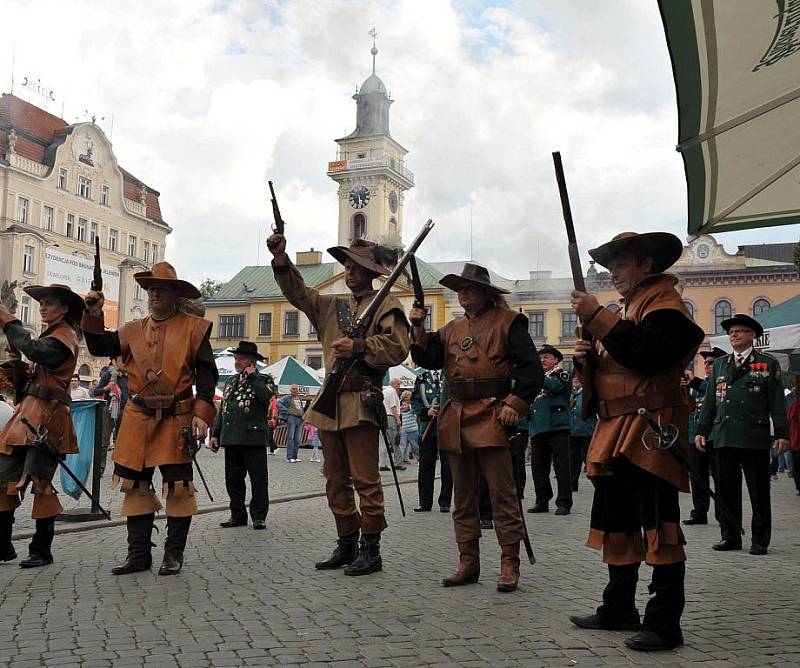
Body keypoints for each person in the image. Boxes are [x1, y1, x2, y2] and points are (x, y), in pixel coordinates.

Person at [569, 232, 705, 652]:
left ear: (646, 265)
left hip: (649, 429)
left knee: (659, 525)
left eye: (620, 265)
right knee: (619, 522)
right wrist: (588, 361)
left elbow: (646, 354)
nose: (613, 274)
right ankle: (618, 608)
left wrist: (597, 318)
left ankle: (664, 623)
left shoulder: (667, 307)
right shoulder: (624, 309)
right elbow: (615, 367)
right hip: (615, 428)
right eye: (610, 267)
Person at [268, 232, 409, 576]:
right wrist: (282, 260)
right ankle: (346, 541)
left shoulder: (388, 305)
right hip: (330, 402)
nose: (349, 271)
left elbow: (398, 348)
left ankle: (370, 549)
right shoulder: (331, 306)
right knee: (334, 478)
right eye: (346, 265)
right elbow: (298, 293)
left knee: (365, 479)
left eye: (356, 266)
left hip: (361, 401)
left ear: (371, 273)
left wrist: (360, 348)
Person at [409, 262, 543, 592]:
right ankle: (468, 560)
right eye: (460, 288)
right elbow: (427, 359)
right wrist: (417, 327)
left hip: (493, 414)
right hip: (455, 415)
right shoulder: (451, 329)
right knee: (463, 496)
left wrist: (514, 404)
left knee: (502, 494)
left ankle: (509, 562)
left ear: (486, 292)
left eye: (469, 287)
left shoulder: (510, 323)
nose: (463, 292)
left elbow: (531, 371)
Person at [82, 262, 218, 575]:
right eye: (151, 288)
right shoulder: (131, 330)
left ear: (174, 294)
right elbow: (99, 345)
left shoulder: (193, 328)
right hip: (138, 417)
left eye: (162, 288)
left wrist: (202, 412)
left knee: (179, 488)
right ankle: (139, 556)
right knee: (136, 487)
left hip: (176, 417)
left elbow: (207, 372)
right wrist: (93, 312)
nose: (155, 293)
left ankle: (173, 555)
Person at [0, 284, 84, 567]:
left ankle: (40, 549)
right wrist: (18, 367)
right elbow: (36, 370)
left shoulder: (65, 336)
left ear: (64, 309)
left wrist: (7, 318)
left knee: (41, 482)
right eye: (42, 303)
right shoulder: (52, 334)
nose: (43, 307)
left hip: (49, 417)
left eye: (49, 303)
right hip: (28, 413)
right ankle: (2, 544)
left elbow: (35, 350)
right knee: (4, 476)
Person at [696, 314, 789, 556]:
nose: (734, 334)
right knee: (726, 490)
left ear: (752, 336)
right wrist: (702, 429)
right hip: (724, 435)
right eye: (731, 331)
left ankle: (760, 539)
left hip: (753, 435)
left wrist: (782, 433)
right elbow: (709, 402)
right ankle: (730, 535)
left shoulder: (767, 364)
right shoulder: (720, 365)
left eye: (740, 331)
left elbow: (777, 401)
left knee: (758, 491)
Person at [210, 341, 275, 530]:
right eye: (236, 358)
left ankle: (259, 516)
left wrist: (253, 377)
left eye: (241, 358)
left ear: (252, 361)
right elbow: (224, 409)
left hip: (253, 438)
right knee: (233, 481)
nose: (237, 361)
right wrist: (216, 433)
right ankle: (237, 514)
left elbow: (266, 398)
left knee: (258, 480)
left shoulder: (264, 379)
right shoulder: (231, 381)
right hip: (232, 438)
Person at [683, 348, 726, 526]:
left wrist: (694, 382)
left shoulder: (719, 384)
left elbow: (712, 392)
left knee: (720, 477)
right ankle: (699, 512)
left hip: (715, 437)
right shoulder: (699, 386)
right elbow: (690, 411)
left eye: (711, 362)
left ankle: (722, 514)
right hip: (696, 438)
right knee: (697, 477)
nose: (707, 365)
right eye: (706, 363)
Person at [529, 345, 573, 515]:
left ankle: (564, 502)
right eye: (540, 358)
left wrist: (538, 375)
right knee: (538, 468)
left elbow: (555, 388)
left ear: (555, 359)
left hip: (557, 426)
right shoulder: (537, 378)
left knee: (562, 467)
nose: (542, 360)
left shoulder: (562, 374)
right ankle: (542, 501)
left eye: (546, 357)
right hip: (538, 427)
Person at [412, 369, 453, 513]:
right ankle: (425, 502)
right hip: (427, 430)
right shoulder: (422, 378)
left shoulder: (449, 375)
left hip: (447, 429)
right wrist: (426, 411)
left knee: (447, 467)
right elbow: (415, 401)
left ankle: (445, 501)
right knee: (425, 467)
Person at [569, 371, 596, 492]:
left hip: (587, 430)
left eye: (578, 377)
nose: (575, 379)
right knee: (572, 460)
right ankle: (572, 483)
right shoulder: (570, 393)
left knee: (588, 457)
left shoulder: (588, 392)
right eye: (574, 377)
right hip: (572, 431)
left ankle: (596, 481)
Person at [379, 379, 406, 471]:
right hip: (391, 418)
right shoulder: (392, 392)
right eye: (398, 384)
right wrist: (398, 419)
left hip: (383, 418)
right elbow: (393, 407)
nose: (399, 386)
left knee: (384, 442)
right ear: (393, 384)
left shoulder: (384, 391)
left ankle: (382, 464)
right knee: (395, 441)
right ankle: (397, 463)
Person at [278, 385, 304, 462]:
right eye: (293, 389)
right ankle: (289, 457)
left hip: (299, 419)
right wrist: (286, 410)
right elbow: (279, 403)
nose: (295, 390)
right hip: (291, 418)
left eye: (296, 389)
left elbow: (301, 408)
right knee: (291, 437)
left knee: (298, 439)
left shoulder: (299, 398)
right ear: (290, 390)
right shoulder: (287, 397)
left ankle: (295, 457)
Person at [399, 390, 419, 463]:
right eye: (403, 405)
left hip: (412, 430)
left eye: (405, 405)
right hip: (404, 430)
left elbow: (412, 407)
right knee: (403, 445)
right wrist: (402, 404)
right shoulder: (402, 412)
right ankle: (403, 459)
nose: (403, 407)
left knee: (415, 446)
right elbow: (399, 408)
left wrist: (409, 402)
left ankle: (420, 458)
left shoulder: (411, 411)